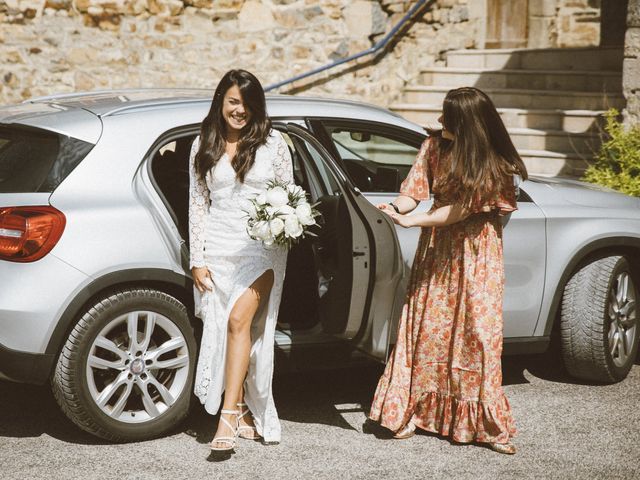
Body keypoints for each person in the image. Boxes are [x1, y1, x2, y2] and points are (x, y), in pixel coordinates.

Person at [369, 87, 527, 454]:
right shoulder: (433, 147)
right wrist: (395, 208)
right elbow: (415, 189)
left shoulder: (494, 161)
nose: (440, 122)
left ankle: (486, 425)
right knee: (428, 331)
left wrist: (414, 222)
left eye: (448, 117)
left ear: (468, 124)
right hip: (438, 250)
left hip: (476, 255)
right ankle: (412, 412)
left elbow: (460, 210)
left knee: (479, 336)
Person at [188, 69, 293, 453]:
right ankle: (244, 408)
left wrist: (285, 227)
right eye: (233, 101)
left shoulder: (274, 143)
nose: (240, 110)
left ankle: (227, 419)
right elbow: (198, 203)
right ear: (221, 101)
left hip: (260, 250)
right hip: (216, 249)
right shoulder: (203, 144)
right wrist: (196, 259)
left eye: (247, 104)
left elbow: (289, 195)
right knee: (226, 331)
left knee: (238, 321)